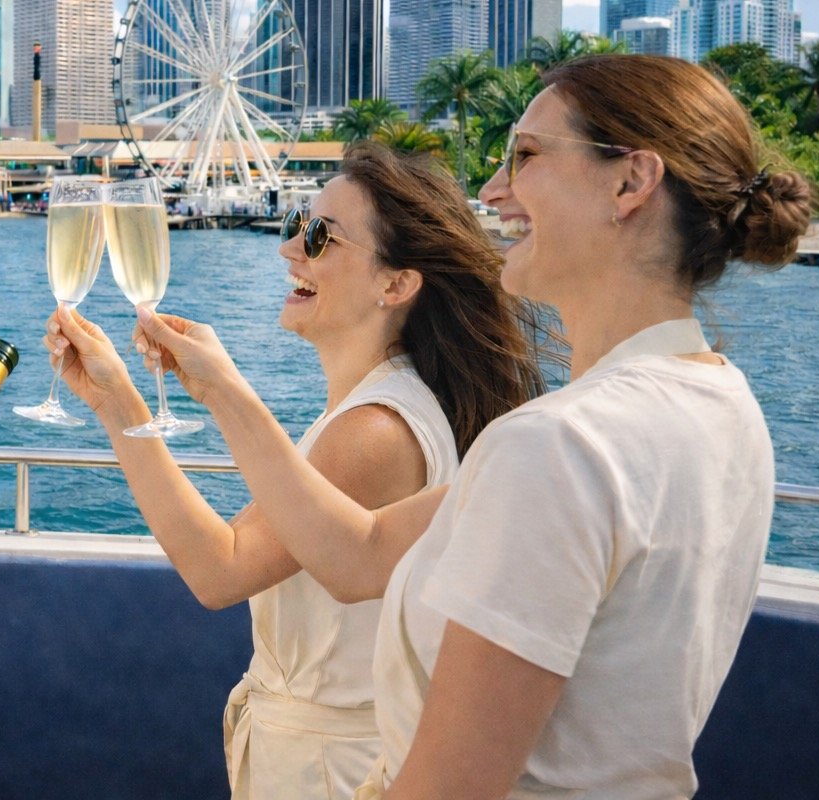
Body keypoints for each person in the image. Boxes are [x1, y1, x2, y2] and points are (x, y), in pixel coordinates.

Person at [122, 54, 815, 799]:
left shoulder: (558, 446)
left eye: (525, 156)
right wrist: (216, 389)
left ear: (630, 183)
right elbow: (360, 554)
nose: (492, 190)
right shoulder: (723, 404)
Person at [47, 142, 544, 799]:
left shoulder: (376, 433)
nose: (290, 250)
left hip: (329, 774)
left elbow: (218, 568)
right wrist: (120, 398)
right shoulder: (380, 408)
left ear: (396, 284)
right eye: (295, 227)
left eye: (320, 236)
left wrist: (122, 404)